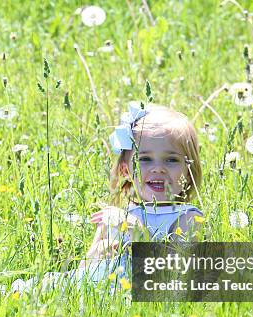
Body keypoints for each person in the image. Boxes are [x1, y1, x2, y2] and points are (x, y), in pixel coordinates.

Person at [10, 102, 203, 294]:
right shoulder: (120, 215)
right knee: (46, 287)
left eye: (171, 159)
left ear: (188, 171)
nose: (158, 168)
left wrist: (138, 233)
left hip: (133, 295)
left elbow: (177, 277)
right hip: (98, 290)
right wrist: (101, 252)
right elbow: (85, 268)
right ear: (125, 170)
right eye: (144, 159)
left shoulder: (186, 217)